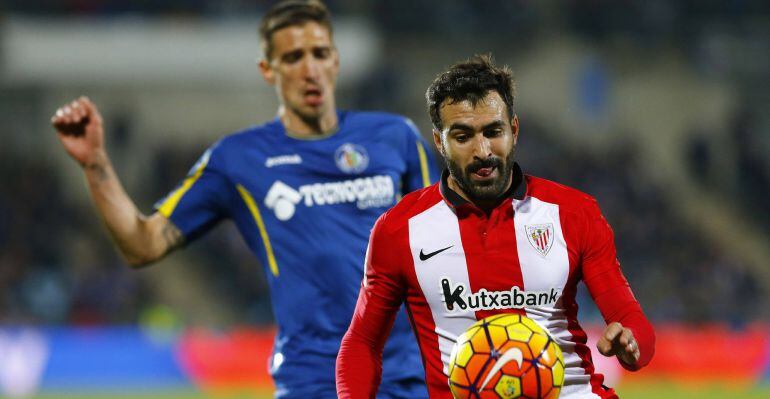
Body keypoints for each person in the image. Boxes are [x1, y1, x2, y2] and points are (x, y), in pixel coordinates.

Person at [50, 1, 437, 398]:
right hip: (315, 381)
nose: (310, 69)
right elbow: (143, 244)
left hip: (407, 377)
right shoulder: (238, 159)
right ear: (268, 70)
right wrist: (96, 164)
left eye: (320, 53)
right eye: (293, 57)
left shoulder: (396, 138)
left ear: (335, 60)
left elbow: (444, 245)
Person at [336, 55, 655, 399]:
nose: (482, 150)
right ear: (439, 141)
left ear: (513, 130)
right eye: (463, 136)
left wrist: (630, 342)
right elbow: (362, 343)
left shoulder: (574, 213)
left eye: (493, 131)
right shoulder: (399, 230)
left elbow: (632, 322)